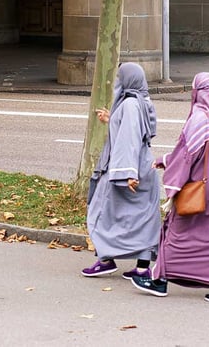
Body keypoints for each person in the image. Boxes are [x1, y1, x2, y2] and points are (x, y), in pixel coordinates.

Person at [132, 72, 209, 304]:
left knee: (176, 231)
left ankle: (159, 280)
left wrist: (170, 176)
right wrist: (166, 158)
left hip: (198, 187)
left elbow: (186, 156)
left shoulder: (199, 118)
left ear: (197, 92)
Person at [80, 63, 162, 281]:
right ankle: (143, 268)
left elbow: (129, 139)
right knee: (142, 219)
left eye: (119, 76)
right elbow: (136, 129)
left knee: (101, 211)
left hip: (127, 168)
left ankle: (105, 260)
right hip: (145, 167)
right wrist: (111, 119)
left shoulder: (130, 105)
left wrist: (127, 174)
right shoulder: (143, 100)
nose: (117, 80)